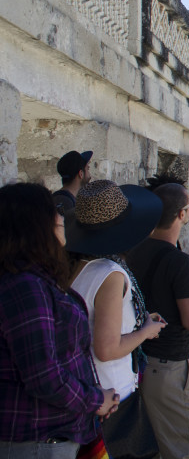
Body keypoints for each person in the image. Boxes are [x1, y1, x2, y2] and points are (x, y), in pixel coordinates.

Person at [0, 182, 119, 457]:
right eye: (53, 210)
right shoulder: (24, 285)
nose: (61, 216)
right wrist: (94, 400)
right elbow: (44, 376)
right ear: (33, 223)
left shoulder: (35, 279)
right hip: (37, 441)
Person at [66, 180, 167, 457]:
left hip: (92, 390)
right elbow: (107, 348)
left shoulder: (77, 269)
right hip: (114, 396)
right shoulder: (110, 274)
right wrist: (146, 331)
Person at [125, 183, 189, 459]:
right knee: (182, 448)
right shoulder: (180, 261)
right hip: (169, 366)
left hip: (136, 363)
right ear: (182, 214)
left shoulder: (132, 252)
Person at [52, 149, 93, 214]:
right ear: (81, 174)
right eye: (87, 169)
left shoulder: (65, 199)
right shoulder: (64, 202)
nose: (90, 175)